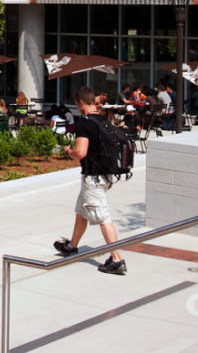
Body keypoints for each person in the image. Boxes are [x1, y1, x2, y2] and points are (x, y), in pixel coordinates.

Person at [53, 86, 127, 275]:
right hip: (104, 175)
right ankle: (72, 246)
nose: (77, 109)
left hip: (92, 178)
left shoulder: (84, 124)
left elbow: (80, 152)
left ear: (82, 103)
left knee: (102, 216)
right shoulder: (103, 120)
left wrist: (68, 152)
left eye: (77, 105)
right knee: (81, 211)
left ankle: (117, 259)